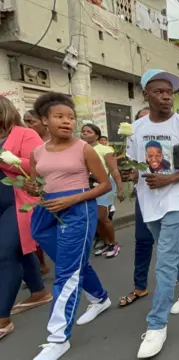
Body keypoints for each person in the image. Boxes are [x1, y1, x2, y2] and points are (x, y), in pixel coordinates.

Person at [125, 69, 179, 358]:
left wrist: (170, 179)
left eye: (169, 92)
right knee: (169, 250)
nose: (165, 96)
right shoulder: (136, 129)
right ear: (146, 94)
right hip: (149, 200)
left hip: (177, 198)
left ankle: (156, 325)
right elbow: (133, 163)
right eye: (159, 91)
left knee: (165, 258)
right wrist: (128, 172)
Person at [28, 92, 112, 360]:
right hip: (47, 210)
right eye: (59, 117)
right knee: (71, 262)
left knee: (66, 273)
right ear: (44, 120)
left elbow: (104, 184)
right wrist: (31, 187)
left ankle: (58, 338)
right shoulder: (37, 151)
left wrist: (74, 198)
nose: (67, 122)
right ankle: (99, 298)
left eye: (71, 117)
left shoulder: (83, 149)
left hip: (77, 209)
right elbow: (36, 184)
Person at [117, 107, 179, 309]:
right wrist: (129, 174)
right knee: (143, 239)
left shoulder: (174, 138)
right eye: (142, 121)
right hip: (146, 199)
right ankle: (140, 285)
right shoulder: (134, 145)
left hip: (173, 199)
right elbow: (132, 168)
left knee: (175, 242)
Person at [0, 97, 52, 340]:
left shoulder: (24, 134)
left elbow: (39, 165)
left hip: (18, 199)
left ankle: (2, 318)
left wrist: (5, 158)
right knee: (20, 250)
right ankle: (39, 293)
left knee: (6, 254)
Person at [81, 124, 125, 258]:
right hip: (88, 186)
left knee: (103, 217)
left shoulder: (105, 150)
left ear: (97, 135)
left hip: (104, 185)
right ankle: (105, 243)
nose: (85, 134)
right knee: (96, 218)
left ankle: (113, 243)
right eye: (83, 131)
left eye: (89, 131)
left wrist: (120, 189)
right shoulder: (79, 149)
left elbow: (114, 170)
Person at [23, 109, 50, 275]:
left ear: (44, 121)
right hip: (34, 192)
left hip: (58, 191)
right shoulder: (26, 142)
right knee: (35, 229)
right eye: (25, 121)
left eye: (31, 121)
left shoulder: (56, 141)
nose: (27, 125)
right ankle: (41, 264)